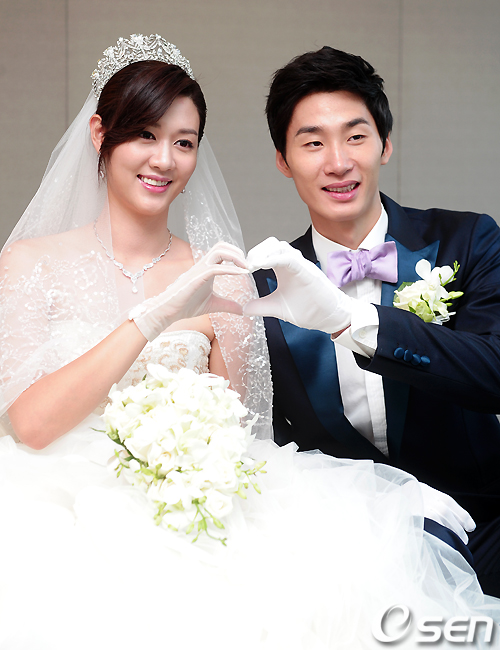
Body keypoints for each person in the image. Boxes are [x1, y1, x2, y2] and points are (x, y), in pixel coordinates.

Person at [0, 36, 498, 650]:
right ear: (101, 135)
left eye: (185, 142)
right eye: (144, 135)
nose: (164, 159)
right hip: (55, 511)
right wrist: (151, 320)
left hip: (459, 519)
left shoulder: (240, 280)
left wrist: (384, 499)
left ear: (385, 143)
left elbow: (244, 439)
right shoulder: (32, 264)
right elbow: (29, 423)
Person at [245, 45, 500, 597]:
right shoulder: (262, 288)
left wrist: (351, 320)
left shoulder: (469, 240)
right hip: (344, 555)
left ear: (385, 144)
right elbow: (262, 446)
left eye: (355, 136)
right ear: (283, 160)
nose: (338, 162)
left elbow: (494, 371)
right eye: (313, 142)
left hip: (485, 535)